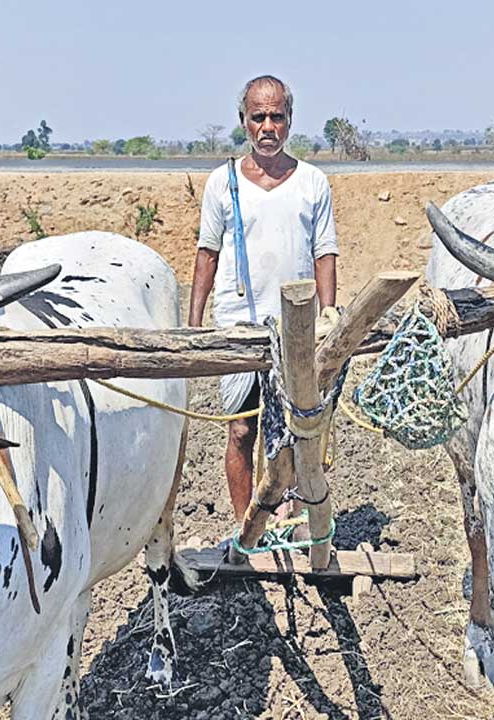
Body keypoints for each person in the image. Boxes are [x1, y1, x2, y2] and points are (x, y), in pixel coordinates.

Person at [189, 75, 339, 521]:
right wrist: (192, 328)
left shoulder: (312, 182)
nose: (268, 127)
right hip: (238, 324)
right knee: (241, 430)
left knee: (297, 433)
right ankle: (245, 528)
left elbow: (324, 254)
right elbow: (207, 254)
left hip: (296, 328)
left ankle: (292, 521)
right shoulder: (223, 183)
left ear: (290, 120)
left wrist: (329, 315)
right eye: (259, 117)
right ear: (244, 121)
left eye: (277, 117)